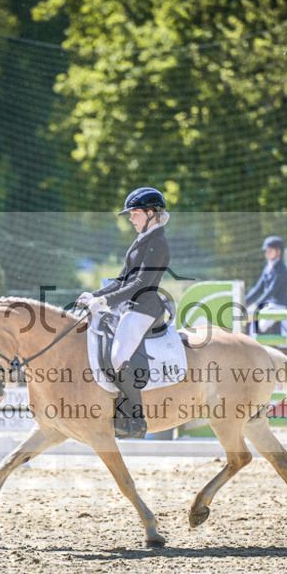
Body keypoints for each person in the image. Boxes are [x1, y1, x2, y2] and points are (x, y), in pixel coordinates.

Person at [78, 187, 171, 439]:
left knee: (118, 357)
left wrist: (105, 300)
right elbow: (121, 280)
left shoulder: (157, 243)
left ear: (151, 213)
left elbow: (140, 284)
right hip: (130, 306)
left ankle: (136, 420)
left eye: (135, 213)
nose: (131, 218)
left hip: (145, 307)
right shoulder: (142, 239)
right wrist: (94, 296)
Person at [246, 235, 287, 336]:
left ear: (278, 252)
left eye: (270, 250)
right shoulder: (268, 267)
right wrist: (244, 300)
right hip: (269, 304)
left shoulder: (281, 269)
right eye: (266, 251)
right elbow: (258, 288)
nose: (267, 253)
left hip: (279, 305)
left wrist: (256, 304)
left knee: (258, 325)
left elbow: (271, 290)